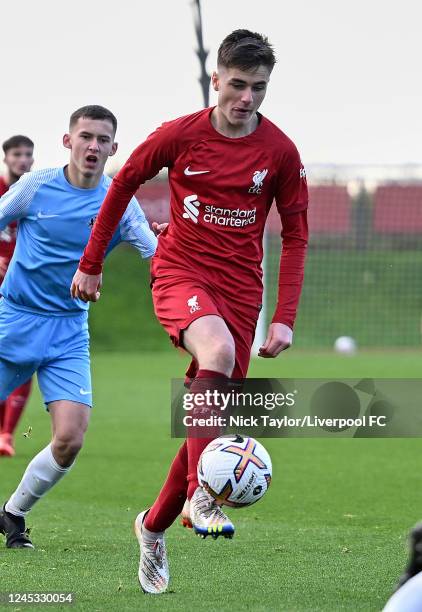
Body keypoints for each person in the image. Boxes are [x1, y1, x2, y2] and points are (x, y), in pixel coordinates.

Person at [72, 30, 309, 594]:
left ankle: (152, 528)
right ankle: (205, 496)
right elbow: (123, 181)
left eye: (258, 88)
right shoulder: (180, 135)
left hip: (242, 291)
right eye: (237, 85)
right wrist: (93, 261)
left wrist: (284, 316)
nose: (246, 98)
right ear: (216, 80)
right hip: (180, 270)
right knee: (218, 352)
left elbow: (297, 236)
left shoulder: (280, 151)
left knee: (207, 422)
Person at [0, 105, 157, 549]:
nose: (93, 146)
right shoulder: (36, 186)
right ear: (67, 141)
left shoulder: (118, 201)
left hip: (69, 331)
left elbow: (154, 253)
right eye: (85, 136)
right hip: (13, 321)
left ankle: (13, 515)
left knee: (69, 438)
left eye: (102, 140)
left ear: (114, 149)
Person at [0, 135, 35, 456]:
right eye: (17, 154)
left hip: (25, 294)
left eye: (28, 154)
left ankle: (7, 434)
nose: (23, 159)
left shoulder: (37, 193)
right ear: (6, 158)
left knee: (24, 358)